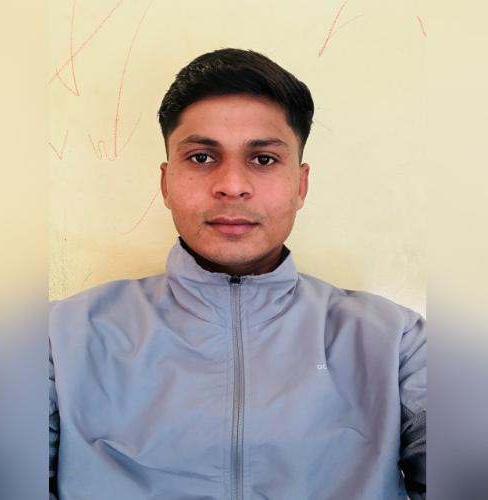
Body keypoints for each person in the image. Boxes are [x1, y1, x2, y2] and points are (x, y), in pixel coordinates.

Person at [49, 48, 426, 500]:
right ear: (166, 183)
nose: (231, 185)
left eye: (263, 159)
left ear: (301, 184)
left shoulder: (396, 344)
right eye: (201, 158)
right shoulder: (58, 339)